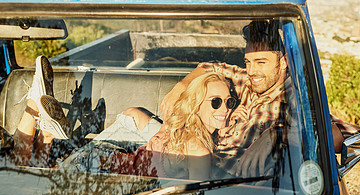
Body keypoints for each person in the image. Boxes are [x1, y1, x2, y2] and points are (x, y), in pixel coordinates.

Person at [158, 20, 360, 178]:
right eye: (248, 61)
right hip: (191, 167)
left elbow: (338, 138)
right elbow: (208, 67)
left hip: (234, 190)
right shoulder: (246, 81)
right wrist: (181, 86)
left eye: (261, 62)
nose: (252, 70)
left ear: (282, 63)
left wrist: (277, 135)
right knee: (134, 117)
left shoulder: (294, 98)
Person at [8, 56, 235, 180]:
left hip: (99, 159)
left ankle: (36, 112)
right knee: (22, 178)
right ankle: (41, 120)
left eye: (230, 102)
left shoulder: (174, 128)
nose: (225, 108)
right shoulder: (198, 150)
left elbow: (134, 115)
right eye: (216, 101)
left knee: (28, 173)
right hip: (101, 170)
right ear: (195, 105)